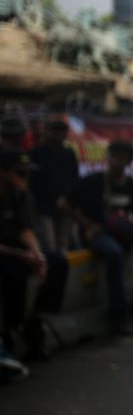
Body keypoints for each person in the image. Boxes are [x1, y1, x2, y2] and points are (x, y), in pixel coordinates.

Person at [62, 140, 133, 336]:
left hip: (125, 234)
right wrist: (87, 224)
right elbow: (63, 204)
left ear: (129, 161)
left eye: (122, 158)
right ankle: (118, 314)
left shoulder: (132, 185)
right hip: (98, 234)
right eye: (114, 157)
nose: (117, 162)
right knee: (115, 254)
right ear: (108, 158)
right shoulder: (92, 181)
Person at [0, 148, 69, 376]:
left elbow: (25, 229)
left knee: (57, 261)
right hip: (7, 255)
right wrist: (21, 255)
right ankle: (10, 328)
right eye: (19, 173)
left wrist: (38, 255)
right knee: (13, 272)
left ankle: (35, 319)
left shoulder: (21, 195)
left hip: (16, 249)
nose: (25, 178)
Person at [29, 119, 80, 251]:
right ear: (46, 133)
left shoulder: (69, 154)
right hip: (43, 207)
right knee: (48, 244)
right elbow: (32, 182)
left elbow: (74, 179)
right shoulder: (36, 153)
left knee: (63, 244)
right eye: (55, 131)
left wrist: (69, 200)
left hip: (65, 206)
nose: (59, 135)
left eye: (62, 132)